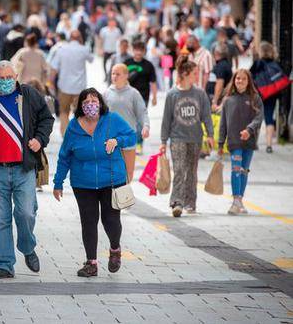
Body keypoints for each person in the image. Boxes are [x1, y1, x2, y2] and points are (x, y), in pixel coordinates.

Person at [0, 61, 54, 279]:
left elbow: (47, 119)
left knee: (25, 213)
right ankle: (5, 264)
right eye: (0, 78)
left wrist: (40, 140)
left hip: (23, 167)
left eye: (9, 77)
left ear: (16, 77)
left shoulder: (30, 95)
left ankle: (27, 246)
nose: (5, 82)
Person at [53, 88, 136, 277]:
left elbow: (132, 136)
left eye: (94, 100)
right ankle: (91, 263)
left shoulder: (112, 119)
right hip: (83, 182)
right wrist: (58, 183)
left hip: (112, 179)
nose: (91, 104)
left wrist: (117, 140)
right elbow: (64, 156)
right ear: (80, 106)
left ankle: (115, 249)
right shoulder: (74, 127)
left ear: (100, 103)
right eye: (86, 102)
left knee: (111, 220)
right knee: (89, 222)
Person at [160, 56, 214, 217]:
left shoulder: (200, 93)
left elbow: (206, 115)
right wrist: (163, 141)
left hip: (195, 138)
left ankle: (191, 202)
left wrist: (210, 134)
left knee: (191, 171)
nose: (197, 76)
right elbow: (166, 119)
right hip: (177, 138)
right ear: (184, 74)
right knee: (179, 170)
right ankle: (177, 202)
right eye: (194, 73)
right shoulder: (172, 94)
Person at [218, 69, 263, 215]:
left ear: (249, 81)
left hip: (249, 141)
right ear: (234, 80)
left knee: (244, 171)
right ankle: (235, 200)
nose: (240, 81)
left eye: (244, 79)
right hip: (234, 141)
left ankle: (240, 200)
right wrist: (220, 143)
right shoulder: (228, 100)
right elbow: (223, 123)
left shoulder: (255, 98)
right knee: (236, 169)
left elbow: (258, 118)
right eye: (238, 79)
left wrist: (249, 130)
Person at [104, 64, 149, 181]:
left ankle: (124, 197)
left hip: (129, 138)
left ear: (126, 76)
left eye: (117, 74)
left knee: (128, 173)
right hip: (111, 139)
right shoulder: (107, 93)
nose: (114, 76)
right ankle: (112, 197)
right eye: (113, 73)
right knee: (112, 173)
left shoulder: (134, 93)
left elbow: (142, 112)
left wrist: (146, 126)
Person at [50, 30, 94, 136]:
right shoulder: (84, 49)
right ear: (80, 38)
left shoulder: (61, 50)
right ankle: (78, 135)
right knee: (79, 113)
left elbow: (54, 68)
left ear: (70, 38)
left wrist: (51, 82)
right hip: (80, 88)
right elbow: (91, 59)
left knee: (64, 112)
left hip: (64, 87)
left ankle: (65, 135)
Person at [250, 41, 282, 153]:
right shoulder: (275, 64)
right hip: (272, 95)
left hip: (259, 94)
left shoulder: (257, 63)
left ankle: (254, 143)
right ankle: (269, 145)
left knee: (256, 117)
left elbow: (249, 77)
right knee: (269, 118)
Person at [206, 42, 233, 109]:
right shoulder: (224, 64)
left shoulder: (221, 66)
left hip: (217, 99)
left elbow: (220, 84)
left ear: (216, 53)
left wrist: (215, 101)